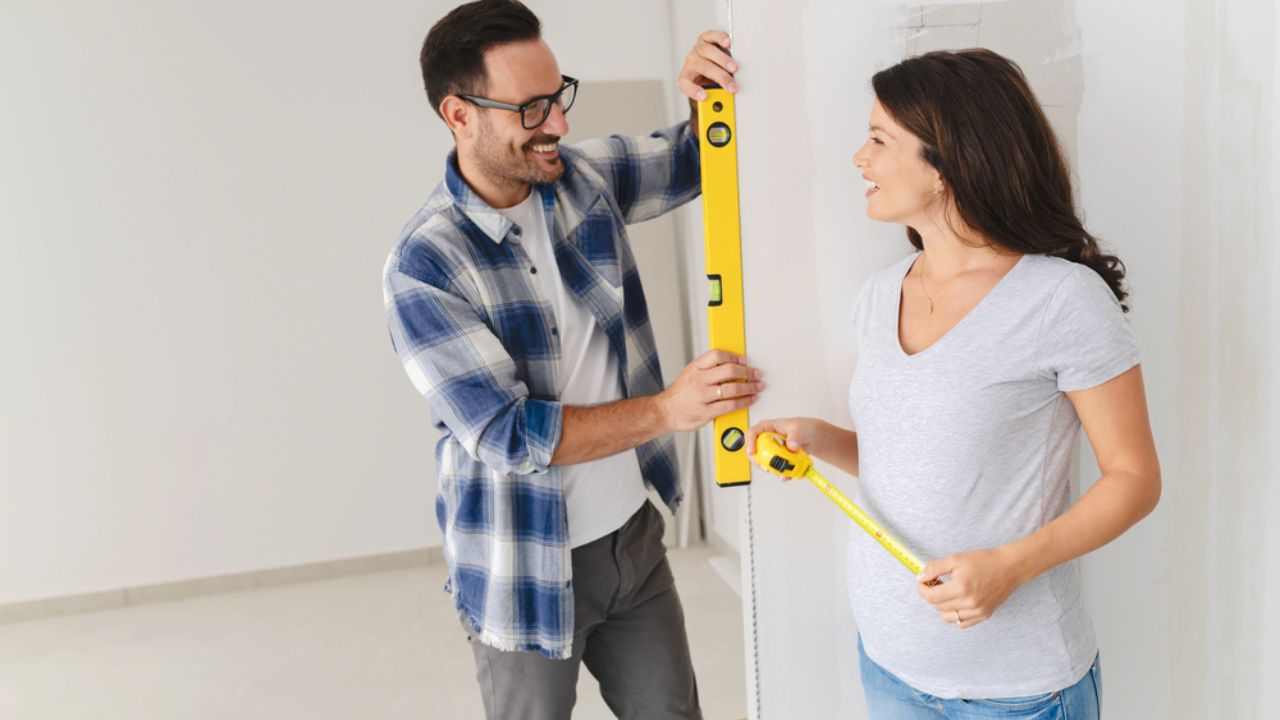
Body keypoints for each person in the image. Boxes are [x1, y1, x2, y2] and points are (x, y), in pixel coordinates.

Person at [746, 49, 1161, 719]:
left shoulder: (1061, 300)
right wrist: (818, 439)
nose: (860, 158)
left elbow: (1134, 478)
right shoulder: (879, 298)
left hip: (1017, 692)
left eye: (879, 139)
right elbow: (923, 461)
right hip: (889, 666)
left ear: (948, 163)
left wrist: (1012, 565)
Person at [382, 2, 750, 718]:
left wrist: (707, 96)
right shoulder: (424, 265)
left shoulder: (578, 180)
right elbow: (508, 434)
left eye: (559, 96)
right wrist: (668, 412)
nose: (558, 124)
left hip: (630, 545)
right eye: (532, 109)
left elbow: (696, 157)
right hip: (521, 568)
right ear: (459, 115)